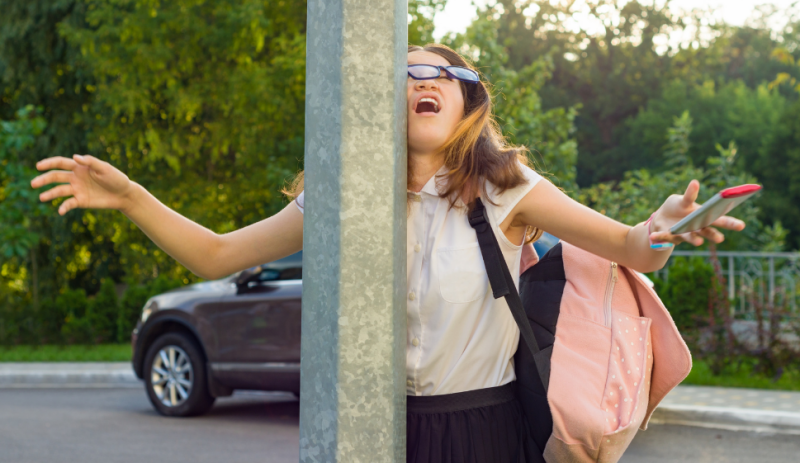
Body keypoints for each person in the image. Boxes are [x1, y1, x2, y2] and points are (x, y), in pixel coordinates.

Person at [30, 43, 745, 462]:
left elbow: (626, 245)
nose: (423, 81)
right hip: (370, 429)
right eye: (404, 75)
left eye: (441, 75)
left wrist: (666, 227)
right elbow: (218, 256)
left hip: (486, 426)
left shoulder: (507, 188)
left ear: (469, 104)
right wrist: (132, 199)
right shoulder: (341, 197)